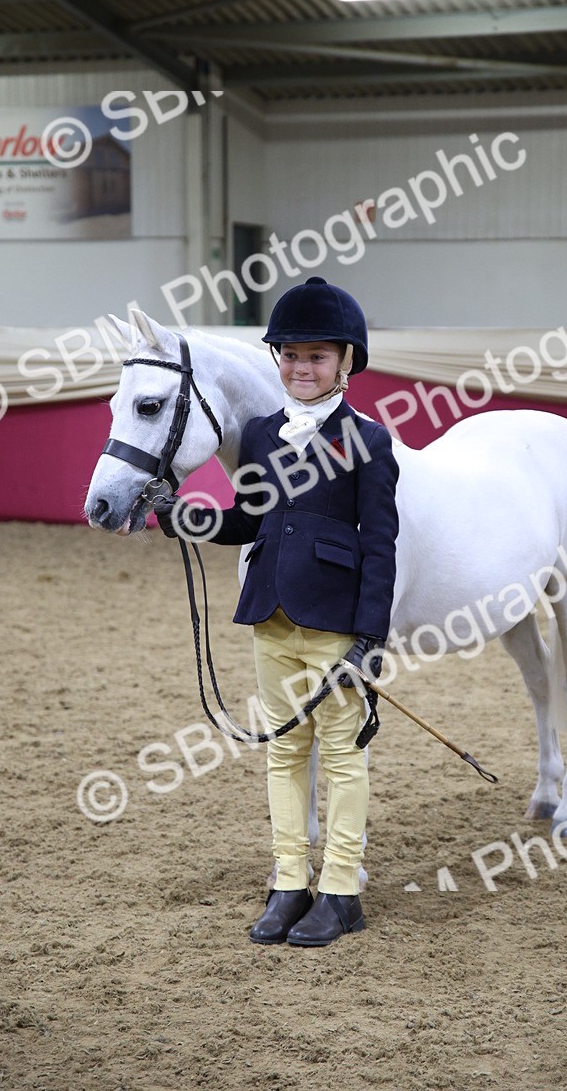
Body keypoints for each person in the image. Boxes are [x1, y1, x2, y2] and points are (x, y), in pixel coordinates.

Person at [156, 276, 399, 947]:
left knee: (344, 758)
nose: (300, 368)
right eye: (290, 355)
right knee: (284, 753)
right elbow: (248, 520)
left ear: (346, 362)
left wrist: (370, 639)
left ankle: (343, 890)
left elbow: (381, 546)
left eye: (317, 356)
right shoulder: (262, 434)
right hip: (271, 617)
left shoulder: (369, 442)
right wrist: (189, 519)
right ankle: (290, 881)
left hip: (336, 625)